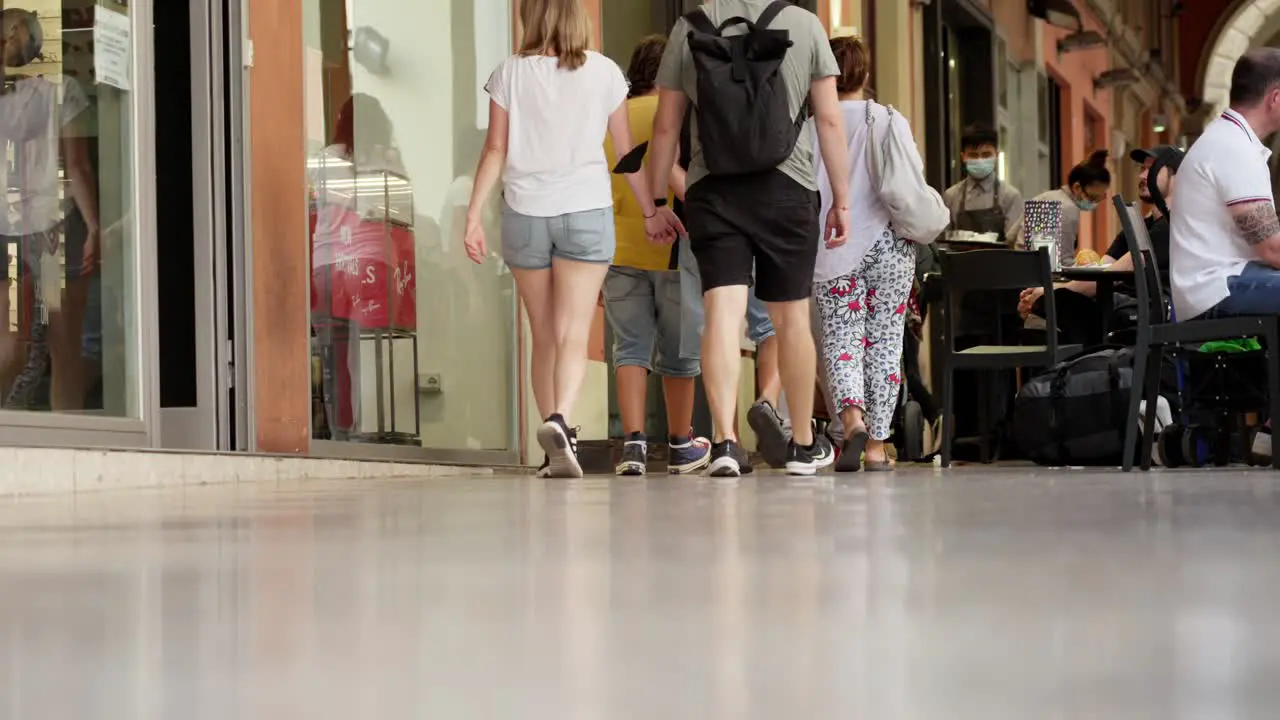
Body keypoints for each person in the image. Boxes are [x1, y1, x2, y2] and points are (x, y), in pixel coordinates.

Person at [464, 0, 681, 479]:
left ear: (530, 16)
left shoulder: (510, 73)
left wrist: (474, 214)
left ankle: (552, 442)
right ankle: (562, 417)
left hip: (525, 215)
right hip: (585, 212)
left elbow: (495, 148)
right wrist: (651, 210)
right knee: (572, 332)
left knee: (542, 332)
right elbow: (626, 154)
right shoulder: (604, 72)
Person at [648, 0, 850, 477]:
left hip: (713, 189)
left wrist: (656, 201)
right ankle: (802, 444)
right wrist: (841, 198)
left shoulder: (689, 26)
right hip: (788, 188)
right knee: (791, 318)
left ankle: (724, 442)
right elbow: (829, 120)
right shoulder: (805, 25)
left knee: (722, 312)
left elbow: (665, 125)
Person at [810, 35, 920, 471]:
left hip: (835, 242)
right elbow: (912, 179)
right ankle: (876, 447)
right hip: (890, 244)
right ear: (866, 76)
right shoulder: (890, 119)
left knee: (841, 340)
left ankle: (851, 423)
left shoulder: (812, 123)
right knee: (886, 343)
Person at [602, 36, 711, 476]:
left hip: (616, 244)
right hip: (673, 243)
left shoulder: (612, 117)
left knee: (629, 347)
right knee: (680, 350)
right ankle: (681, 443)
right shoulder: (676, 112)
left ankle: (633, 445)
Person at [0, 8, 97, 412]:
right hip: (55, 229)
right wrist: (94, 226)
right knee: (64, 348)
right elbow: (77, 166)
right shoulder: (65, 90)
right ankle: (69, 443)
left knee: (12, 344)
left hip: (10, 230)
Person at [1017, 145, 1183, 345]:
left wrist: (1048, 293)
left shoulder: (1172, 224)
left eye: (1152, 168)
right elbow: (1102, 269)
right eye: (1142, 168)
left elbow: (1111, 274)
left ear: (1176, 177)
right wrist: (1049, 292)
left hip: (1142, 312)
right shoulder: (1139, 225)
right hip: (1114, 304)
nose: (1142, 175)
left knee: (1055, 306)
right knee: (1051, 308)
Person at [308, 93, 400, 440]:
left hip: (328, 265)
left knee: (333, 356)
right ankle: (367, 430)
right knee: (366, 354)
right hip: (372, 264)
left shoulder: (324, 160)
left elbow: (312, 204)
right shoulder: (385, 160)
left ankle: (339, 433)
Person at [942, 123, 1024, 246]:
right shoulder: (950, 196)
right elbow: (943, 242)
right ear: (963, 157)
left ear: (996, 155)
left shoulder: (1010, 196)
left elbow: (1015, 246)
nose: (980, 160)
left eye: (986, 155)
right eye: (973, 155)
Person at [1029, 150, 1113, 268]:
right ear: (1077, 187)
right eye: (1092, 198)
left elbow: (1012, 235)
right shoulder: (1068, 208)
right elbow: (1065, 262)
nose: (1094, 203)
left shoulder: (1044, 197)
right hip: (1039, 276)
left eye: (1100, 198)